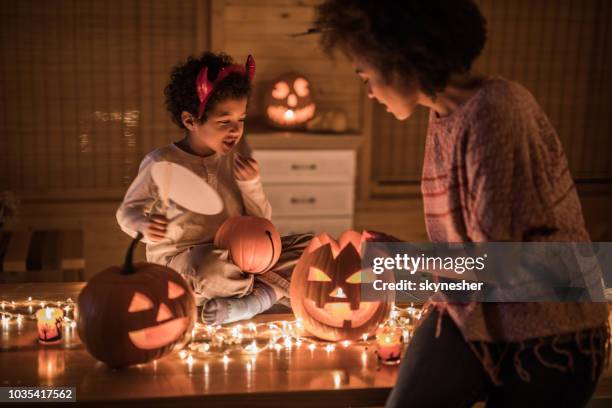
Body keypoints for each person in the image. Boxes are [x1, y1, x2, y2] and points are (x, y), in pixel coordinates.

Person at [314, 1, 609, 406]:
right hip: (477, 308)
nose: (368, 91)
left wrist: (406, 259)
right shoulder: (443, 115)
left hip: (551, 330)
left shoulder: (494, 112)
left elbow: (496, 263)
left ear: (401, 60)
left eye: (366, 75)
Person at [116, 52, 305, 325]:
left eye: (241, 120)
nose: (235, 130)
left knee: (308, 247)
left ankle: (254, 300)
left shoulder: (233, 161)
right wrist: (143, 225)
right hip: (185, 262)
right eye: (224, 121)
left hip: (238, 256)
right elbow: (127, 212)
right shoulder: (161, 163)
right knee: (210, 270)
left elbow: (262, 225)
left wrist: (251, 185)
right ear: (191, 121)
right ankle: (267, 291)